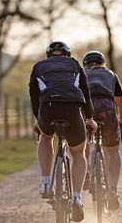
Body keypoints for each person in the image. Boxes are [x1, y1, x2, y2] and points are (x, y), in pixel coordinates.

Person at [29, 41, 97, 222]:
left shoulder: (38, 67)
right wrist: (89, 118)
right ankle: (76, 197)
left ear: (48, 55)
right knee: (78, 152)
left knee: (45, 136)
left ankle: (44, 182)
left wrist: (38, 118)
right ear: (67, 54)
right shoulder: (75, 64)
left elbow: (34, 97)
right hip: (72, 108)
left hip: (48, 107)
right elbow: (86, 91)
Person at [82, 50, 122, 210]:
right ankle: (113, 190)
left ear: (85, 64)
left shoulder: (81, 74)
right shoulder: (111, 75)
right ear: (103, 63)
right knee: (113, 151)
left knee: (81, 144)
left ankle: (86, 174)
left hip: (87, 111)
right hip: (107, 111)